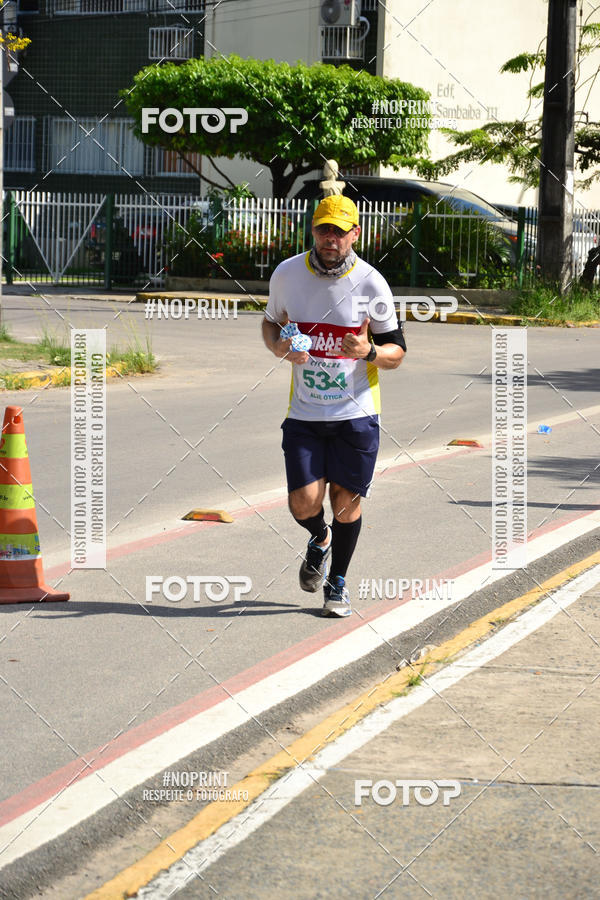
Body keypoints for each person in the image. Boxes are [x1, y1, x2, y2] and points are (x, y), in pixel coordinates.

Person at [261, 195, 406, 617]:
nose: (331, 239)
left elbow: (398, 352)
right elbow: (271, 322)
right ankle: (318, 537)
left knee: (346, 503)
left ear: (355, 234)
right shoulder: (287, 275)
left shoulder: (372, 283)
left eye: (341, 232)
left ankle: (338, 581)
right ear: (313, 230)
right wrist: (279, 348)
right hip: (305, 414)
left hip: (356, 415)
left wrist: (369, 351)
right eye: (325, 229)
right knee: (303, 503)